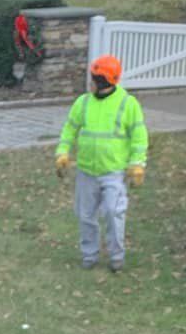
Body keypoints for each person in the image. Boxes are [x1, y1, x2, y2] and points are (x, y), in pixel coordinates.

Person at [55, 54, 148, 272]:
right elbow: (69, 129)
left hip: (113, 173)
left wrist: (137, 164)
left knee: (113, 214)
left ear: (102, 80)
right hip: (86, 171)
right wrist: (62, 153)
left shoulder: (128, 104)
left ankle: (116, 257)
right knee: (85, 215)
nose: (90, 81)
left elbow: (139, 137)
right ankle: (90, 256)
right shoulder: (83, 102)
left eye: (94, 77)